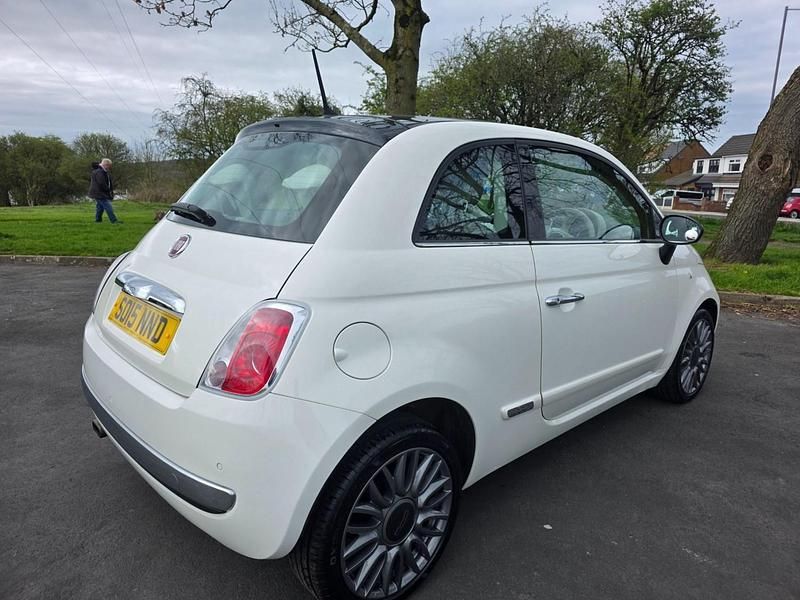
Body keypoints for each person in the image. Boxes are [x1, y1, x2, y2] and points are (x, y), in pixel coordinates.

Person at [88, 158, 120, 223]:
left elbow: (107, 182)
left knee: (100, 207)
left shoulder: (102, 171)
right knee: (108, 206)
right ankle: (114, 220)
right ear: (106, 165)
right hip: (99, 193)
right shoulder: (99, 171)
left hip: (98, 193)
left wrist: (110, 190)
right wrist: (108, 190)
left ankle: (98, 220)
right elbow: (101, 183)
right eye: (109, 166)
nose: (109, 168)